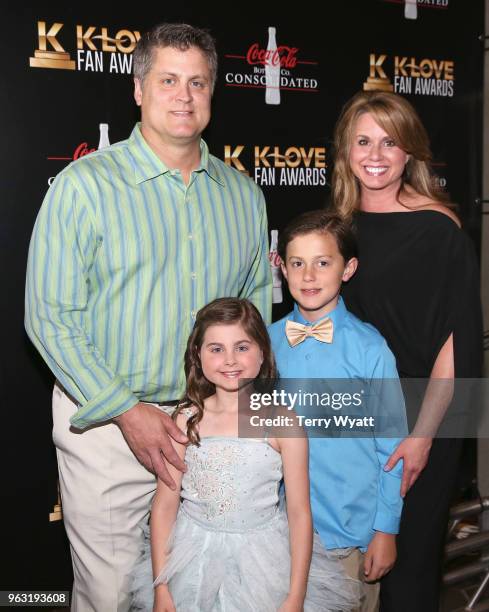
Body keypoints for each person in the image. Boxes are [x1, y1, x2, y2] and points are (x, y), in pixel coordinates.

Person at [24, 23, 272, 612]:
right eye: (167, 80)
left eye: (197, 82)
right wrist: (127, 411)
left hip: (206, 423)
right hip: (105, 425)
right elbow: (49, 317)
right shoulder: (83, 188)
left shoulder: (244, 196)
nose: (183, 95)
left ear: (213, 93)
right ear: (138, 89)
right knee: (110, 593)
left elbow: (256, 310)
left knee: (202, 590)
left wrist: (233, 409)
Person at [333, 90, 483, 612]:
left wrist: (422, 439)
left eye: (390, 143)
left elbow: (456, 348)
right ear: (346, 152)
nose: (376, 155)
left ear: (410, 153)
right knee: (346, 566)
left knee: (409, 570)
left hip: (423, 421)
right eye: (364, 141)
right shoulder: (336, 231)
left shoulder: (441, 230)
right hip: (350, 420)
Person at [131, 297, 361, 611]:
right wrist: (161, 589)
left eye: (242, 347)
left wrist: (295, 596)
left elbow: (299, 513)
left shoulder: (283, 423)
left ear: (262, 352)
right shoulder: (185, 419)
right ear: (197, 356)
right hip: (190, 559)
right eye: (216, 349)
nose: (230, 360)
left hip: (263, 564)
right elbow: (164, 505)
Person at [268, 210, 407, 612]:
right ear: (283, 269)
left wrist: (386, 529)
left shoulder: (370, 349)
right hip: (281, 537)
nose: (309, 276)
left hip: (349, 535)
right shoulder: (265, 344)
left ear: (348, 269)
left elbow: (392, 447)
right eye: (298, 263)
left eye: (322, 262)